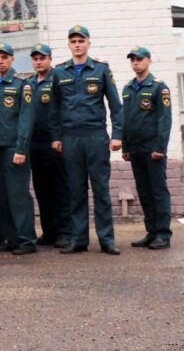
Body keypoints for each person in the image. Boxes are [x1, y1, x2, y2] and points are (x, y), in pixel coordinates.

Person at [51, 25, 123, 255]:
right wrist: (56, 137)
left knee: (101, 189)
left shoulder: (101, 69)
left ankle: (106, 240)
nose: (77, 44)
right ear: (69, 45)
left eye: (81, 40)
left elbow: (115, 105)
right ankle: (78, 239)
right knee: (76, 190)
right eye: (73, 41)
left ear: (88, 43)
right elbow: (54, 108)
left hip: (95, 136)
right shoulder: (60, 72)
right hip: (71, 138)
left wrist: (117, 135)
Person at [0, 43, 37, 255]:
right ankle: (12, 238)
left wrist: (21, 149)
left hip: (13, 150)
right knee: (0, 198)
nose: (0, 61)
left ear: (12, 59)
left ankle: (27, 241)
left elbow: (26, 120)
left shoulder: (21, 84)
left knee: (18, 196)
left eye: (4, 57)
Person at [121, 46, 173, 250]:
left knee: (158, 191)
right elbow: (126, 120)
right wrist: (125, 145)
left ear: (148, 61)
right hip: (135, 149)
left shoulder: (159, 87)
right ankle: (151, 232)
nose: (136, 62)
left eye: (139, 59)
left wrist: (160, 147)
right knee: (144, 191)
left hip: (153, 149)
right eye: (132, 59)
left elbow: (164, 119)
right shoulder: (128, 88)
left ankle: (163, 234)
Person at [27, 43, 69, 247]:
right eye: (35, 59)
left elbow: (62, 110)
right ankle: (49, 232)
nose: (38, 62)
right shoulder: (28, 83)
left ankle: (64, 232)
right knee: (41, 189)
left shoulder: (57, 80)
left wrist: (58, 137)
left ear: (50, 59)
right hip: (34, 144)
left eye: (42, 58)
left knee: (59, 189)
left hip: (54, 143)